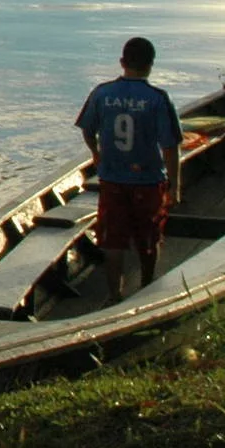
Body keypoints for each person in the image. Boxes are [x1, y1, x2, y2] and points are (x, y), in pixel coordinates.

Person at [75, 36, 183, 303]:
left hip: (112, 180)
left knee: (113, 241)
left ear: (122, 62)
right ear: (150, 65)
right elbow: (170, 146)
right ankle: (146, 286)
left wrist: (96, 154)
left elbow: (87, 130)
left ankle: (115, 294)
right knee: (149, 237)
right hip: (147, 181)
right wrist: (174, 185)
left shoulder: (102, 93)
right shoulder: (158, 98)